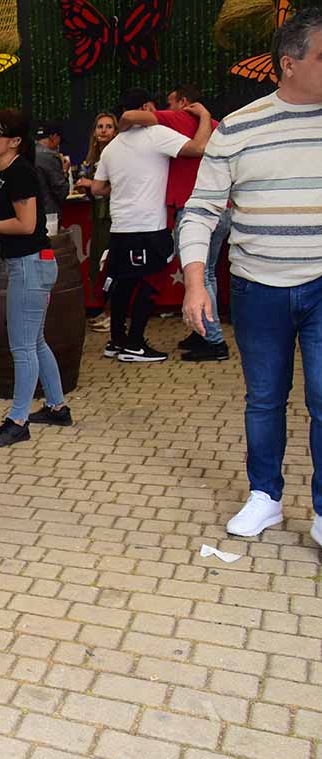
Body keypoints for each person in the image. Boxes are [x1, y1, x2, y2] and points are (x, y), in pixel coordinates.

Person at [179, 6, 322, 543]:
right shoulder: (238, 127)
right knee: (264, 398)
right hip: (257, 287)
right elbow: (199, 210)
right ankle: (265, 497)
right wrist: (196, 282)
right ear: (289, 63)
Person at [78, 88, 211, 364]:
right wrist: (205, 117)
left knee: (123, 284)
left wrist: (123, 184)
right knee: (151, 283)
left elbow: (99, 188)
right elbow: (199, 148)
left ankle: (117, 341)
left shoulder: (112, 146)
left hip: (120, 227)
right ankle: (135, 343)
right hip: (149, 226)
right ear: (147, 107)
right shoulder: (157, 134)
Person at [0, 109, 71, 448]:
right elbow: (17, 212)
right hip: (31, 264)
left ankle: (18, 420)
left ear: (14, 141)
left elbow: (26, 225)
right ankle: (57, 407)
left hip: (29, 265)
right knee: (35, 342)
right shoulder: (10, 172)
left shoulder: (21, 172)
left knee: (23, 347)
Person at [118, 83, 231, 362]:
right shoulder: (216, 126)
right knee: (209, 273)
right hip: (222, 208)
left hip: (194, 210)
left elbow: (130, 116)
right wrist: (206, 117)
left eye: (170, 102)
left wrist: (122, 128)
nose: (166, 107)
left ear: (183, 102)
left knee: (201, 276)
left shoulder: (176, 119)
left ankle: (214, 342)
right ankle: (203, 331)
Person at [78, 112, 118, 332]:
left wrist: (92, 184)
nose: (103, 130)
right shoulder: (93, 157)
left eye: (109, 126)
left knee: (110, 264)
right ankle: (106, 309)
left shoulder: (118, 154)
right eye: (100, 126)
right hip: (98, 215)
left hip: (113, 215)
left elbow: (119, 185)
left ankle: (113, 314)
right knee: (97, 266)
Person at [33, 123, 70, 232]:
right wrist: (64, 172)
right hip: (48, 217)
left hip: (31, 215)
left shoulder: (27, 153)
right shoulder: (49, 156)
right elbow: (62, 191)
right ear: (54, 137)